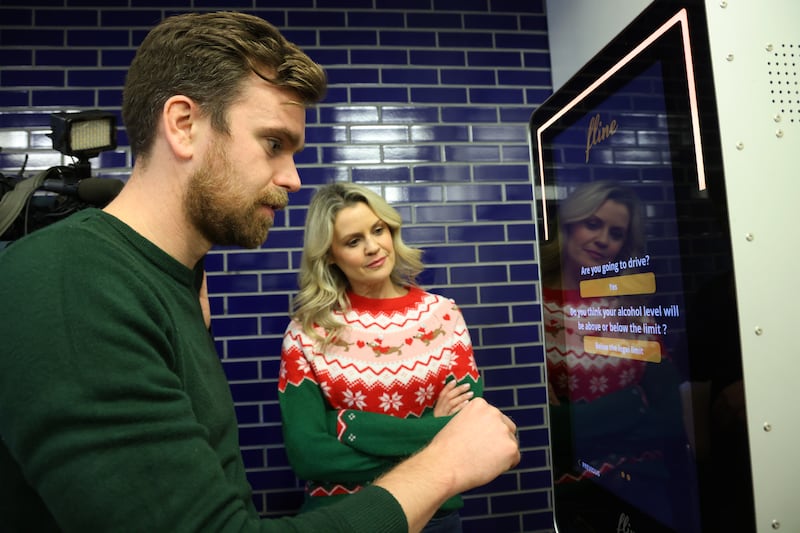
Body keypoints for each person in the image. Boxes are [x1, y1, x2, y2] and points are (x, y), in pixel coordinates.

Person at [0, 11, 519, 533]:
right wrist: (443, 464)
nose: (293, 179)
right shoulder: (72, 282)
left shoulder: (158, 280)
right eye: (274, 143)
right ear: (183, 125)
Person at [278, 183, 480, 532]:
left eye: (378, 230)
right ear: (329, 254)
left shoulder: (443, 316)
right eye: (353, 241)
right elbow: (307, 455)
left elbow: (467, 433)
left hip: (435, 515)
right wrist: (432, 434)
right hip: (344, 518)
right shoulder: (307, 333)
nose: (373, 248)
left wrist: (344, 425)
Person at [540, 181, 694, 530]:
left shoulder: (631, 308)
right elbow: (548, 433)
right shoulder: (534, 305)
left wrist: (575, 420)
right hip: (567, 493)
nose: (603, 239)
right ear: (568, 225)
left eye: (616, 233)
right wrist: (631, 404)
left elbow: (668, 421)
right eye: (593, 224)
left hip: (644, 487)